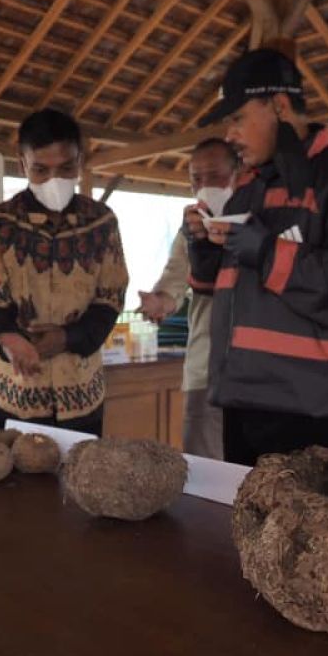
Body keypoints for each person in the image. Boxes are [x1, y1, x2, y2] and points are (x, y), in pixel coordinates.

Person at [186, 48, 328, 467]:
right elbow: (222, 285)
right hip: (244, 404)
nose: (230, 135)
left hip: (317, 412)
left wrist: (269, 253)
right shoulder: (248, 189)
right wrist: (201, 249)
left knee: (314, 529)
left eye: (237, 118)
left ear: (280, 106)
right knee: (250, 525)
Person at [0, 108, 129, 436]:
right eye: (41, 170)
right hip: (14, 399)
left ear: (80, 161)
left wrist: (68, 338)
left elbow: (110, 298)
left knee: (82, 482)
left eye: (66, 168)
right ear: (22, 163)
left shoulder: (101, 223)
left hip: (83, 397)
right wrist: (11, 339)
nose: (54, 181)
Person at [138, 138, 239, 460]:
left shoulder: (263, 223)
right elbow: (174, 280)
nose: (205, 186)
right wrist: (159, 302)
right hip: (205, 368)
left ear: (238, 174)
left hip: (260, 372)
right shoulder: (189, 230)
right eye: (197, 179)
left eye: (215, 176)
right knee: (206, 472)